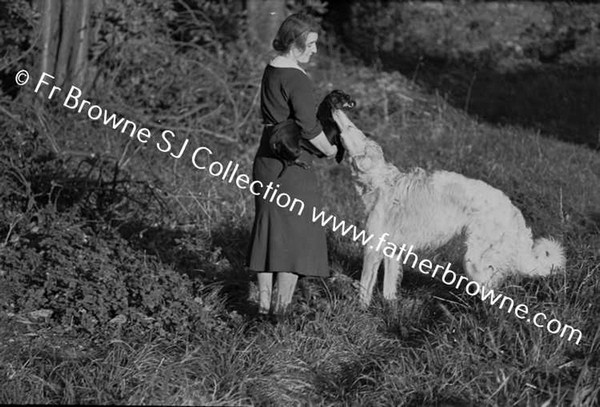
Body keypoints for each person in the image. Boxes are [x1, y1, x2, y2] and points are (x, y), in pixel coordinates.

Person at [246, 13, 337, 320]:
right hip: (291, 166)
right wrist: (331, 149)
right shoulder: (297, 78)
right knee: (296, 239)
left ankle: (262, 309)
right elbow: (309, 128)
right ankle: (280, 313)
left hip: (266, 158)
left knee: (269, 233)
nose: (314, 51)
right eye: (310, 44)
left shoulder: (272, 68)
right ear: (294, 44)